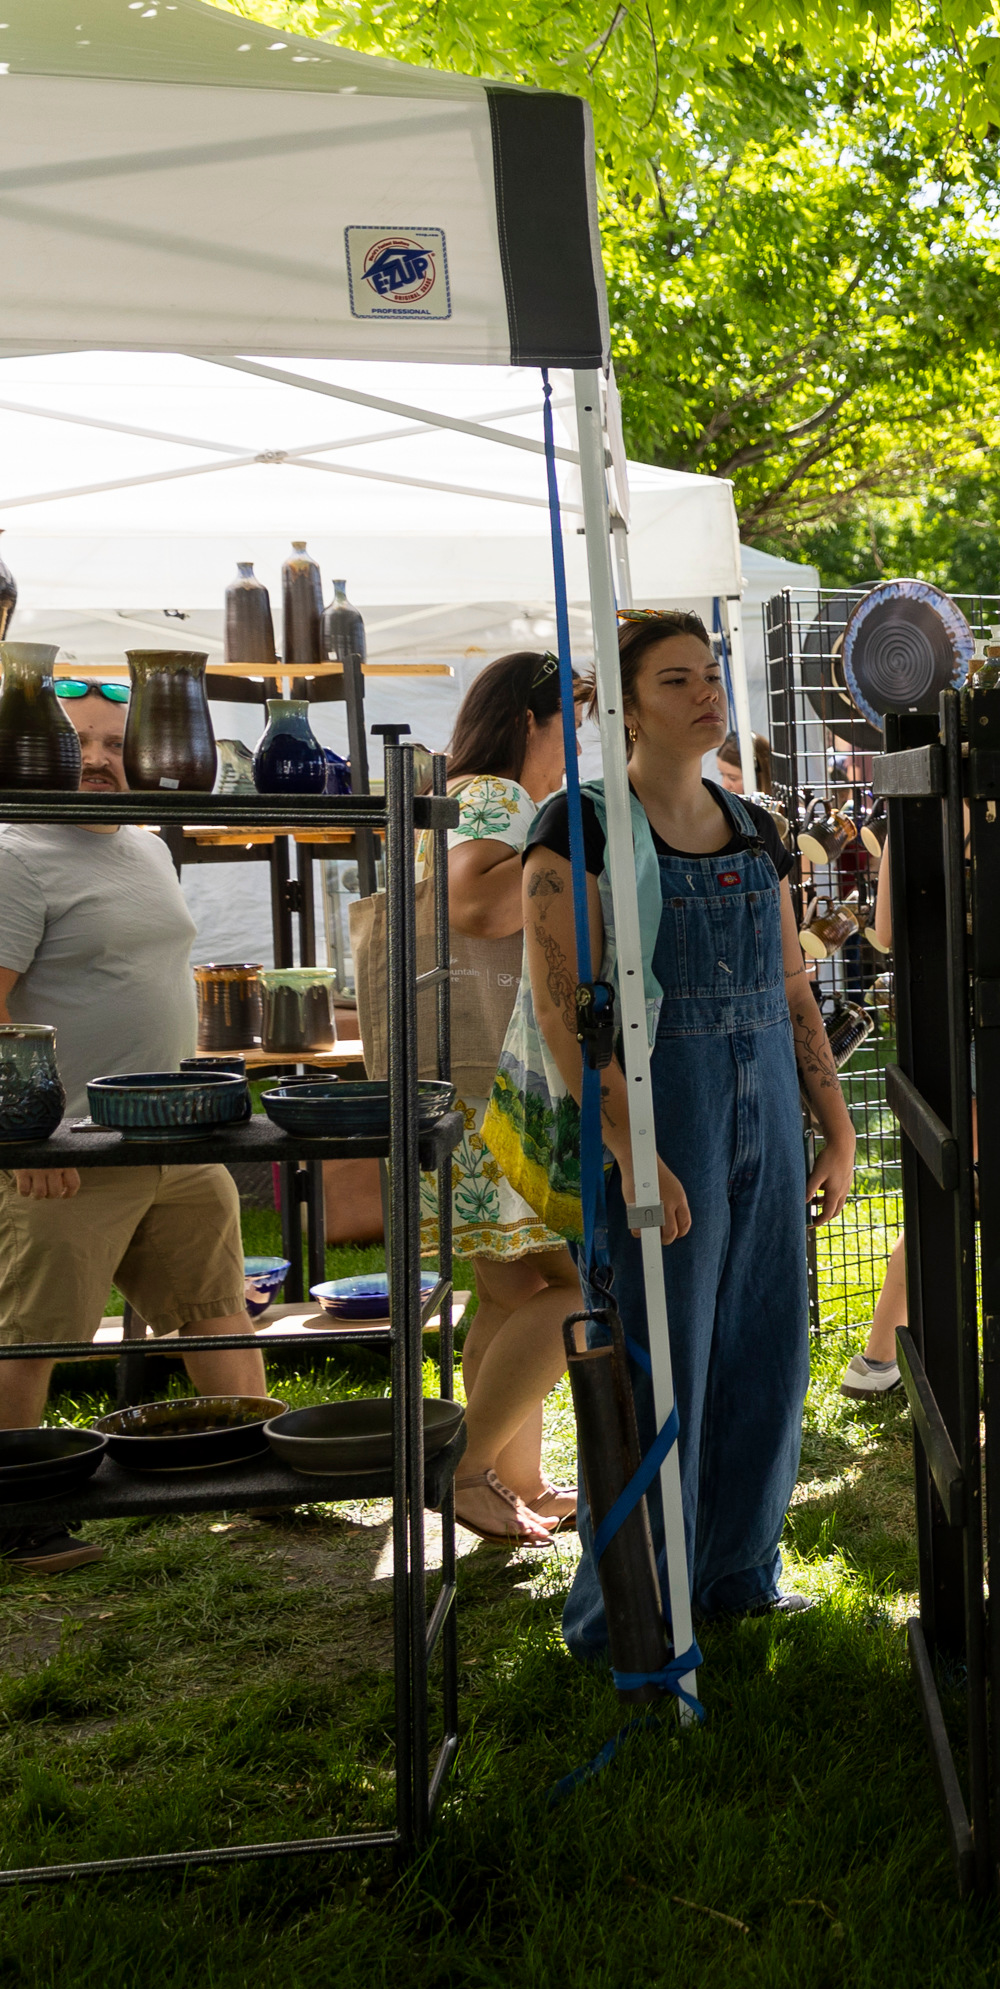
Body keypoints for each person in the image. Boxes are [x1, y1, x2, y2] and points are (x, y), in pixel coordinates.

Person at [501, 609, 859, 1653]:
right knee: (659, 1360)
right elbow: (570, 1002)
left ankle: (738, 1571)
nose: (707, 694)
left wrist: (833, 1127)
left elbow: (793, 987)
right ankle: (632, 1611)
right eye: (675, 680)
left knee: (765, 1351)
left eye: (711, 675)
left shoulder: (752, 823)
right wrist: (626, 1145)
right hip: (658, 1115)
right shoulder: (575, 826)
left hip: (763, 1118)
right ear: (622, 705)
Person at [0, 681, 265, 1576]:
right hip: (62, 1148)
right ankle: (15, 1517)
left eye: (117, 743)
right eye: (76, 742)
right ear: (34, 752)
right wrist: (21, 1142)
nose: (98, 759)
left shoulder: (147, 844)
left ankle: (260, 1486)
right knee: (40, 1332)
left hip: (169, 1129)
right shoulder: (2, 857)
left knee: (216, 1317)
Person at [837, 801, 1000, 1414]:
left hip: (942, 1017)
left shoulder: (917, 811)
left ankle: (876, 1360)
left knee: (944, 1196)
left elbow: (888, 933)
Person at [426, 651, 595, 1548]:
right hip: (504, 1092)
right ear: (532, 719)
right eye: (574, 717)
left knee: (505, 1295)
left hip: (471, 1089)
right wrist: (563, 855)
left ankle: (507, 1479)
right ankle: (459, 1468)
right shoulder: (495, 797)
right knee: (583, 1289)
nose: (582, 739)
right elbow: (478, 910)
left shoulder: (487, 797)